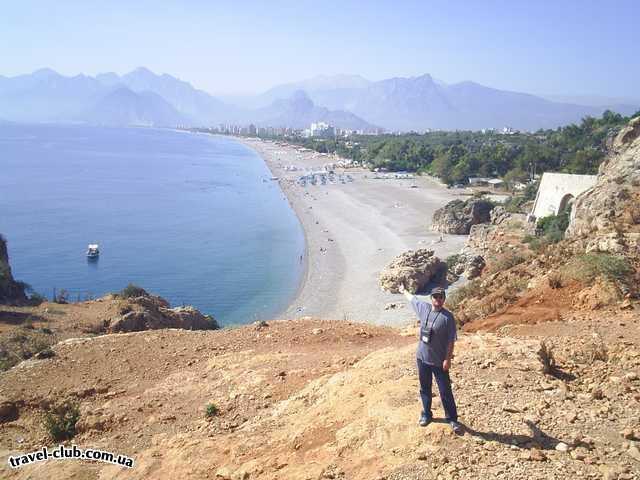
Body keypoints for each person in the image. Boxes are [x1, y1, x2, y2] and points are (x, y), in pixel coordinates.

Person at [399, 284, 462, 434]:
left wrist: (448, 359)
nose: (438, 299)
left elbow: (451, 341)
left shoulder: (448, 318)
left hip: (439, 361)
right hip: (422, 358)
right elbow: (412, 299)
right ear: (431, 298)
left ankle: (452, 419)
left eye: (441, 297)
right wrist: (403, 290)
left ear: (444, 299)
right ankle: (427, 414)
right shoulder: (424, 308)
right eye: (435, 297)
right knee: (425, 388)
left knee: (445, 391)